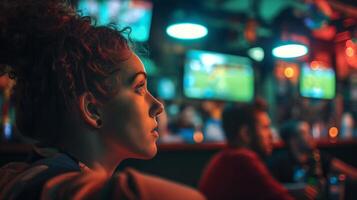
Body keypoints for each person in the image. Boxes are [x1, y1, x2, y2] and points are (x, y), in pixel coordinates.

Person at [0, 1, 204, 199]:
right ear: (92, 110)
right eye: (139, 87)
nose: (158, 106)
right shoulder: (42, 183)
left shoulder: (24, 174)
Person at [198, 99, 294, 200]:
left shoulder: (224, 158)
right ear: (245, 133)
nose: (271, 135)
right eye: (265, 128)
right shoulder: (242, 160)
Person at [268, 120, 357, 198]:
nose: (311, 136)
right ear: (293, 139)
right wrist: (293, 191)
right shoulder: (279, 161)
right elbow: (267, 188)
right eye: (304, 133)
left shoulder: (318, 156)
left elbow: (349, 172)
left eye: (310, 132)